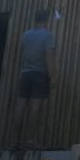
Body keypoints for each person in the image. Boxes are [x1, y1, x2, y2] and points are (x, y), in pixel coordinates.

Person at [14, 9, 56, 148]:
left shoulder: (26, 35)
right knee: (35, 108)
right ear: (47, 19)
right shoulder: (48, 35)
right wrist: (51, 73)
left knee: (21, 106)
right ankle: (30, 139)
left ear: (35, 18)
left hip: (25, 73)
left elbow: (23, 52)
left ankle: (16, 139)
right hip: (40, 74)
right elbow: (49, 53)